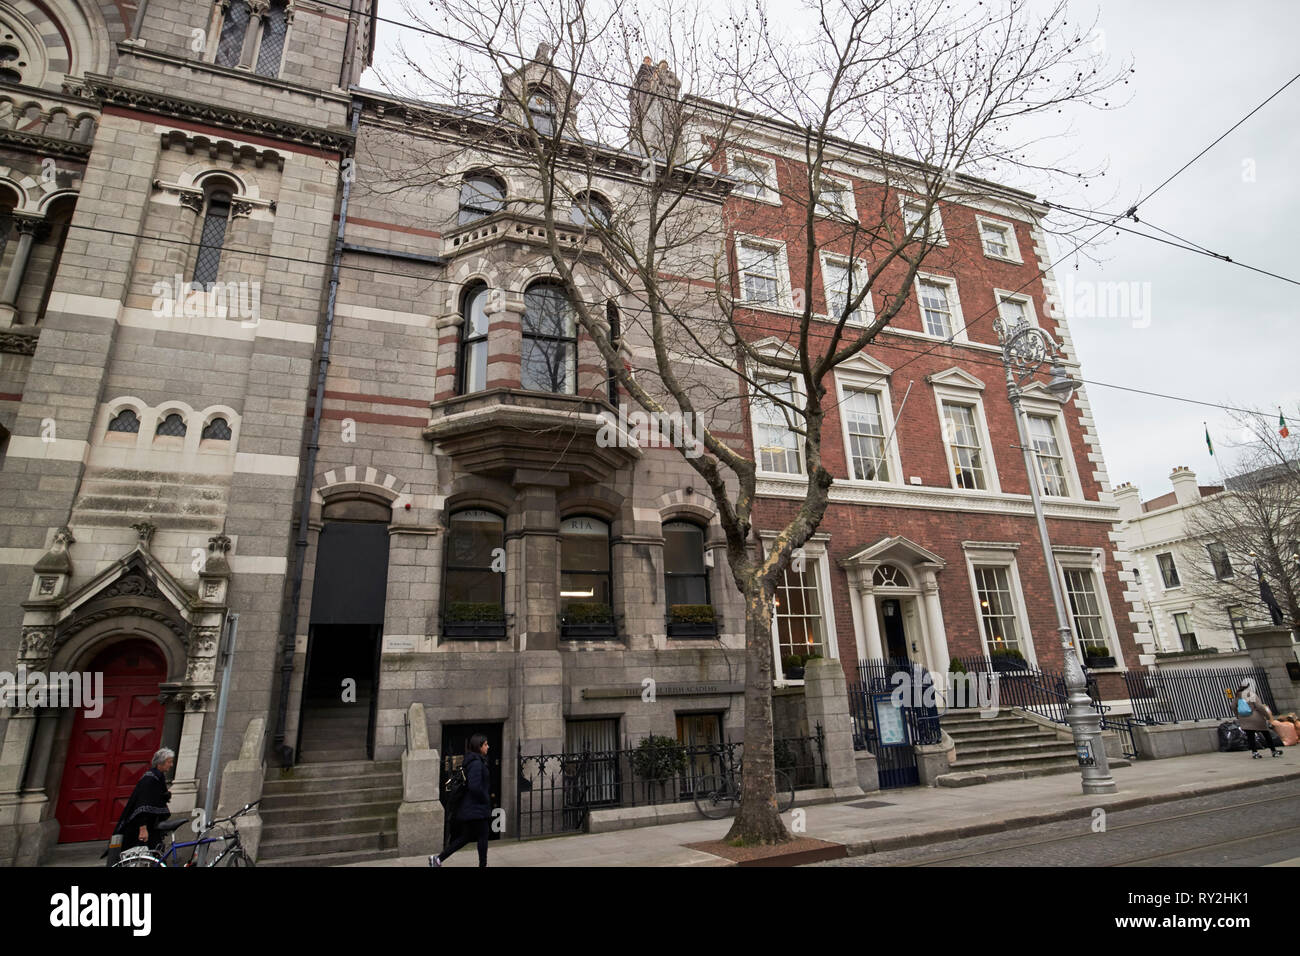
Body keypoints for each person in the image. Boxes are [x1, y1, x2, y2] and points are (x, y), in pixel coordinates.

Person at [429, 734, 493, 867]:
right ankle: (483, 865)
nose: (488, 747)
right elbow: (474, 787)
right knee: (483, 836)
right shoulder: (476, 763)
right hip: (476, 808)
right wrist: (485, 798)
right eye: (486, 744)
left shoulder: (474, 761)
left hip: (471, 808)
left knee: (465, 837)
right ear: (479, 746)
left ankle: (438, 859)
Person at [108, 748, 175, 862]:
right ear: (160, 763)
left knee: (155, 854)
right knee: (141, 857)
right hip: (141, 828)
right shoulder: (149, 779)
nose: (171, 765)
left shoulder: (159, 778)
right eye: (169, 762)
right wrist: (143, 829)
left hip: (152, 826)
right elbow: (142, 805)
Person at [1237, 682, 1283, 759]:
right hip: (1256, 717)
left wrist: (1238, 715)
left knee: (1250, 737)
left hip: (1244, 718)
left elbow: (1232, 706)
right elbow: (1259, 706)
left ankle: (1255, 753)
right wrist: (1267, 716)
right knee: (1266, 734)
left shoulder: (1237, 696)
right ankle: (1274, 751)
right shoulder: (1251, 695)